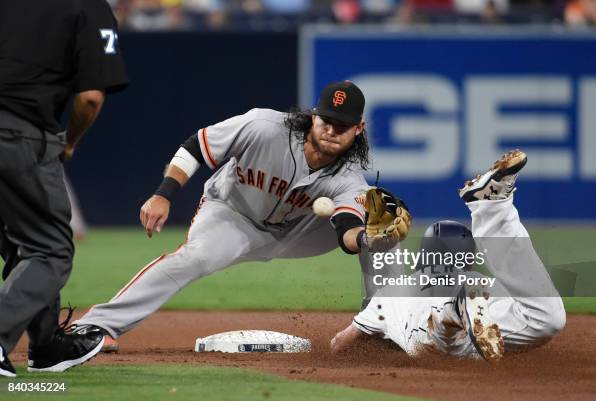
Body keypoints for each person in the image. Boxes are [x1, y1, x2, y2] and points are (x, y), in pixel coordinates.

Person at [62, 80, 410, 364]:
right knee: (195, 257)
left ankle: (378, 326)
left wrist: (366, 240)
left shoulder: (348, 176)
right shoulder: (263, 126)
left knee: (381, 208)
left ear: (359, 129)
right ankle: (97, 325)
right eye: (327, 120)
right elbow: (196, 146)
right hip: (233, 214)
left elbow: (345, 229)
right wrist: (163, 194)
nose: (333, 130)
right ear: (313, 116)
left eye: (343, 125)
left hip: (297, 230)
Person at [331, 150, 566, 361]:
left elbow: (340, 345)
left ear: (425, 256)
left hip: (426, 338)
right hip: (466, 328)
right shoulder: (479, 281)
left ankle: (452, 310)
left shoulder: (390, 293)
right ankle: (493, 209)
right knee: (546, 318)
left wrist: (379, 342)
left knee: (436, 336)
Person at [0, 0, 129, 376]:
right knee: (51, 250)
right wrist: (69, 141)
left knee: (25, 242)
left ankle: (47, 347)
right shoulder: (89, 6)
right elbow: (90, 96)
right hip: (17, 131)